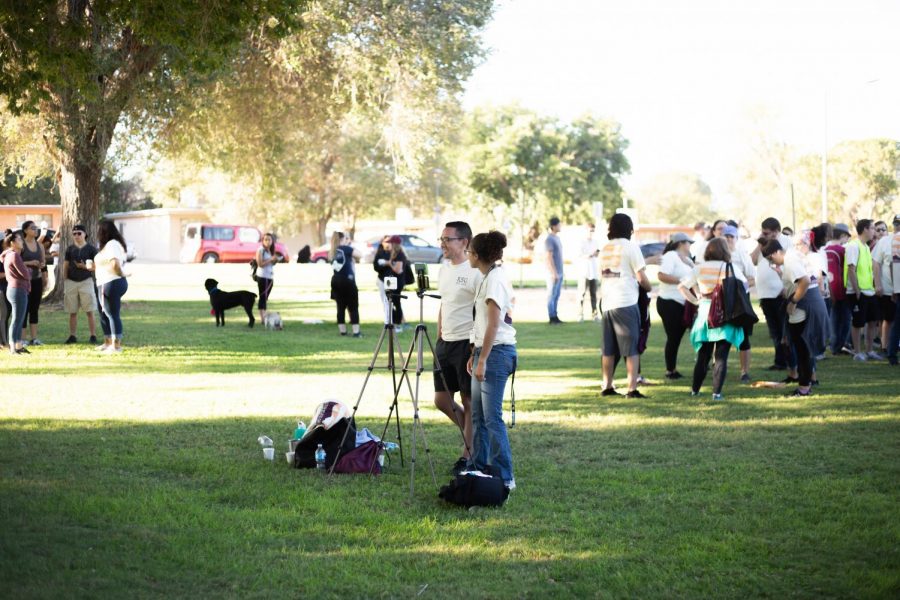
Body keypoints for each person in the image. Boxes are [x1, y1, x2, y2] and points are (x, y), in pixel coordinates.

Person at [466, 230, 517, 492]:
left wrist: (483, 359)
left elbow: (494, 324)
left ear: (477, 255)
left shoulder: (495, 279)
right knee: (478, 416)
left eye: (469, 252)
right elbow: (483, 322)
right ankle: (478, 467)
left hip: (496, 354)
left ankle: (505, 476)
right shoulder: (487, 277)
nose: (467, 256)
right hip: (483, 353)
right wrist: (474, 353)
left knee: (492, 418)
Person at [434, 221, 481, 474]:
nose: (443, 244)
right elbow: (444, 303)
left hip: (466, 342)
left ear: (464, 242)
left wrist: (476, 346)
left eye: (448, 239)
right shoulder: (443, 269)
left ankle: (468, 454)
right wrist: (439, 331)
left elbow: (483, 310)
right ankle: (473, 433)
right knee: (441, 399)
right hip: (445, 342)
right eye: (441, 239)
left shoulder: (474, 270)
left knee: (468, 400)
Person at [679, 238, 746, 401]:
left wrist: (696, 300)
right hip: (725, 314)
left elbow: (681, 286)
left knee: (704, 355)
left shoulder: (699, 268)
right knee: (721, 356)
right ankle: (716, 394)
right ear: (725, 251)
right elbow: (744, 285)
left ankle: (695, 390)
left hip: (705, 313)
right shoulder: (731, 267)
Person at [762, 238, 829, 396]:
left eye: (771, 258)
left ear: (777, 252)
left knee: (802, 349)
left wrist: (793, 301)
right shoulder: (793, 257)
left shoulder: (790, 260)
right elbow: (798, 282)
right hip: (810, 303)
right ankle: (807, 383)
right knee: (804, 348)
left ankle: (804, 388)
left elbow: (805, 282)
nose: (773, 262)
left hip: (804, 306)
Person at [598, 213, 651, 398]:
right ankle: (631, 388)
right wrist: (649, 287)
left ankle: (607, 386)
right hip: (626, 301)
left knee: (608, 348)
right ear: (629, 228)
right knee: (631, 348)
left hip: (607, 302)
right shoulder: (630, 247)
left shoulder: (604, 248)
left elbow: (601, 275)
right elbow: (641, 276)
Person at [751, 217, 797, 378]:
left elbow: (790, 264)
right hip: (765, 293)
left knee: (784, 329)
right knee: (774, 331)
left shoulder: (786, 242)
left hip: (780, 292)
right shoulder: (763, 243)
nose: (764, 235)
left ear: (776, 231)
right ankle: (779, 360)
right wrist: (760, 243)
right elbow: (752, 260)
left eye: (767, 233)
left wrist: (786, 288)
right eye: (762, 232)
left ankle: (789, 361)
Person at [655, 232, 695, 380]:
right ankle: (670, 370)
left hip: (681, 303)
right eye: (688, 243)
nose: (690, 246)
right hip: (669, 302)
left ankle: (672, 369)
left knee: (676, 337)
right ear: (681, 243)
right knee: (673, 337)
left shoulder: (686, 259)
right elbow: (662, 275)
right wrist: (682, 281)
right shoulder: (670, 256)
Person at [724, 224, 757, 382]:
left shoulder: (742, 255)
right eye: (726, 236)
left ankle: (744, 371)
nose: (729, 239)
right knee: (721, 335)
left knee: (743, 337)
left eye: (731, 237)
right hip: (722, 301)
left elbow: (752, 278)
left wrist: (737, 289)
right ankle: (719, 368)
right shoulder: (717, 255)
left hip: (741, 301)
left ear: (736, 239)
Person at [845, 219, 881, 361]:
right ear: (865, 229)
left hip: (869, 291)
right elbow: (851, 269)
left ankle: (870, 350)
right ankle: (857, 352)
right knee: (858, 323)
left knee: (872, 321)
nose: (874, 231)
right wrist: (857, 290)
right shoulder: (853, 246)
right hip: (857, 292)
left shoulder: (865, 246)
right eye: (872, 228)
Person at [94, 220, 129, 353]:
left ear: (104, 231)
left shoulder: (112, 244)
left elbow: (115, 264)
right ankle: (108, 343)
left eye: (99, 230)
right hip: (104, 282)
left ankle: (116, 346)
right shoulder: (105, 246)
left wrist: (122, 273)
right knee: (104, 314)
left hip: (110, 282)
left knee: (112, 314)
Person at [62, 224, 99, 344]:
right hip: (71, 282)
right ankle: (72, 336)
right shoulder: (70, 249)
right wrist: (65, 279)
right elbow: (66, 265)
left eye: (79, 233)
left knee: (90, 310)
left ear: (85, 234)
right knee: (72, 312)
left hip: (86, 282)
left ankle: (93, 336)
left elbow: (97, 266)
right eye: (74, 234)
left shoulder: (91, 249)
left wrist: (85, 267)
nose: (77, 236)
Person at [2, 230, 31, 354]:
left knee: (19, 318)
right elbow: (25, 274)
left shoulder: (9, 255)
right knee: (17, 319)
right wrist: (28, 270)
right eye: (19, 240)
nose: (22, 241)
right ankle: (13, 346)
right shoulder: (14, 255)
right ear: (12, 242)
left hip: (15, 289)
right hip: (17, 289)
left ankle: (18, 345)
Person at [825, 223, 852, 355]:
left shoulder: (825, 249)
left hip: (830, 289)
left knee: (834, 319)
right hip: (842, 289)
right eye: (847, 237)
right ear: (842, 236)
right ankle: (840, 344)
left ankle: (834, 345)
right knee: (845, 319)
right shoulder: (842, 251)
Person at [328, 231, 362, 337]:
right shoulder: (345, 249)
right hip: (347, 280)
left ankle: (342, 331)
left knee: (340, 307)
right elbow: (359, 254)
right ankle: (356, 332)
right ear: (343, 239)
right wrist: (348, 245)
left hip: (336, 281)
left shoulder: (332, 251)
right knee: (353, 306)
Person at [373, 235, 409, 331]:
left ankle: (397, 324)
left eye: (390, 242)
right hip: (392, 281)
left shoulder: (399, 254)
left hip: (397, 282)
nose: (389, 244)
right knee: (390, 301)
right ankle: (393, 323)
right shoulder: (393, 253)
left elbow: (398, 270)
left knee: (396, 302)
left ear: (394, 244)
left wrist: (388, 263)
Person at [872, 218, 896, 354]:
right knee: (888, 318)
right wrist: (878, 284)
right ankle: (884, 345)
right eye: (896, 224)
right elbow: (876, 263)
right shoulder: (884, 242)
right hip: (888, 289)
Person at [19, 220, 46, 346]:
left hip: (37, 280)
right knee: (24, 309)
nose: (35, 230)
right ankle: (23, 339)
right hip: (24, 282)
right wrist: (30, 263)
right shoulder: (21, 245)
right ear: (25, 230)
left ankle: (34, 338)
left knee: (34, 309)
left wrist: (44, 276)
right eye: (32, 228)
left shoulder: (40, 245)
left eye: (36, 228)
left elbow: (43, 263)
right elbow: (15, 262)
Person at [255, 232, 280, 324]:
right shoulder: (260, 250)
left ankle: (264, 315)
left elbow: (271, 263)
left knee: (265, 297)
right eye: (265, 239)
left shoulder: (270, 250)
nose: (267, 241)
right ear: (263, 241)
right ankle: (262, 317)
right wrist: (270, 259)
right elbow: (260, 264)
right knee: (262, 296)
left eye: (269, 240)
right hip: (263, 276)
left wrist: (275, 260)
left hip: (270, 276)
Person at [578, 223, 600, 322]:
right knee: (581, 293)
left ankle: (594, 314)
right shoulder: (581, 242)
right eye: (590, 230)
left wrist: (596, 254)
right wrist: (592, 254)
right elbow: (581, 255)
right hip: (584, 271)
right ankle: (580, 314)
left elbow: (597, 254)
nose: (592, 233)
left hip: (593, 271)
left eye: (593, 231)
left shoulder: (595, 242)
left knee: (593, 294)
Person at [545, 216, 564, 324]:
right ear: (553, 226)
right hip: (554, 273)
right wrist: (554, 273)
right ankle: (551, 317)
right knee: (551, 295)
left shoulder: (557, 238)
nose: (560, 226)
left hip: (560, 272)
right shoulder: (549, 239)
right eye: (559, 224)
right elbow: (549, 257)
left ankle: (555, 316)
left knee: (556, 295)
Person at [887, 214, 900, 366]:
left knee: (897, 322)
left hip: (898, 286)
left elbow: (893, 264)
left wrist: (895, 288)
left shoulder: (894, 239)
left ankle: (891, 354)